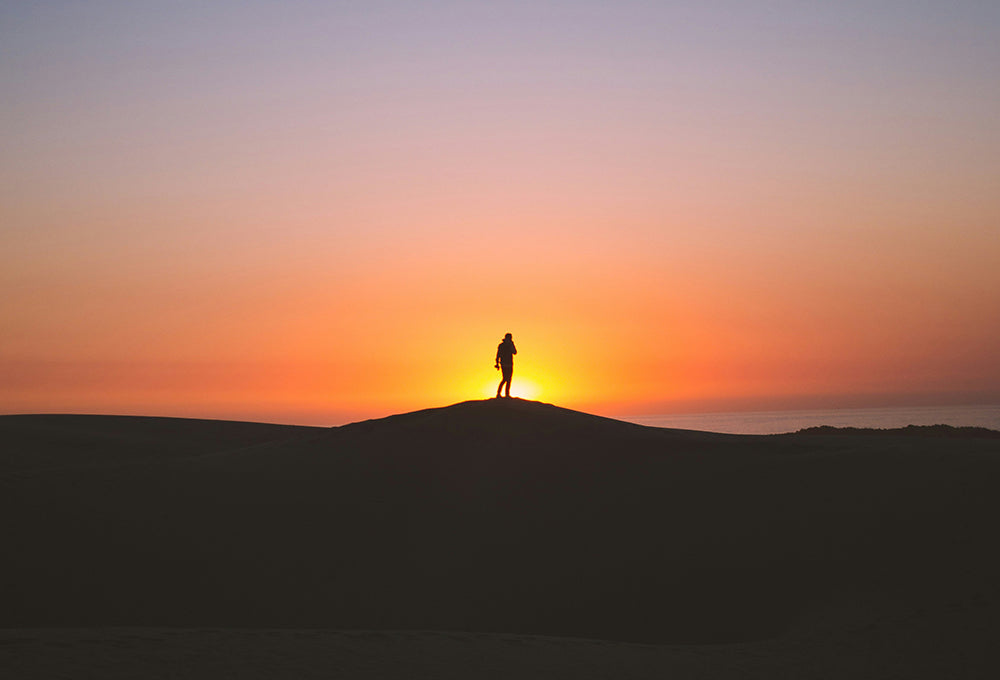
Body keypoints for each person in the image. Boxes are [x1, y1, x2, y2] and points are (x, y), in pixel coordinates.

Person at [494, 333, 517, 398]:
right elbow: (498, 355)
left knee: (508, 379)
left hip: (509, 364)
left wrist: (512, 345)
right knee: (505, 379)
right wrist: (497, 363)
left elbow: (515, 352)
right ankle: (499, 393)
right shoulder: (501, 345)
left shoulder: (510, 345)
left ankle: (507, 394)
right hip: (504, 364)